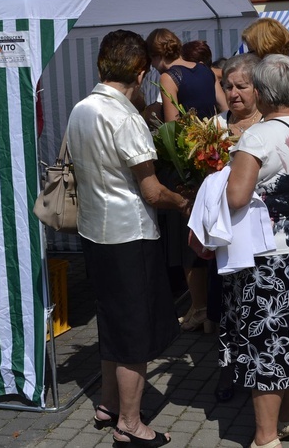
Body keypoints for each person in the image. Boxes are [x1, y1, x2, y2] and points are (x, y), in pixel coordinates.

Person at [66, 29, 191, 447]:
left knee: (113, 322)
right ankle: (131, 424)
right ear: (140, 72)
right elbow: (152, 191)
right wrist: (183, 201)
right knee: (134, 332)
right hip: (128, 234)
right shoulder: (125, 118)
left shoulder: (81, 108)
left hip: (94, 230)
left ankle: (107, 404)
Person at [221, 54, 289, 448]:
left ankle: (265, 438)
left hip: (267, 259)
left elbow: (236, 197)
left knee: (266, 345)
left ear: (264, 92)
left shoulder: (258, 137)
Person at [147, 29, 225, 332]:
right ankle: (212, 309)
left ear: (156, 55)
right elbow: (224, 109)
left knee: (187, 240)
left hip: (186, 163)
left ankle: (198, 308)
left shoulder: (169, 77)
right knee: (210, 234)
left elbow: (172, 128)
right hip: (211, 158)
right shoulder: (205, 71)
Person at [208, 53, 263, 403]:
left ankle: (260, 368)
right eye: (228, 86)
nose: (234, 93)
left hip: (260, 233)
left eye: (242, 86)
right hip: (226, 233)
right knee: (227, 306)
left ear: (258, 88)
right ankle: (228, 371)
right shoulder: (213, 127)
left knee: (258, 305)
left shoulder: (268, 126)